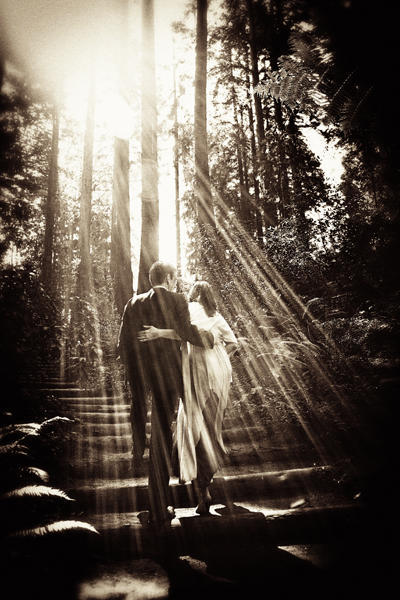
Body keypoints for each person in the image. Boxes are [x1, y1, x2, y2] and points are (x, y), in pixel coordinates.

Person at [117, 262, 215, 530]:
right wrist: (209, 337)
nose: (175, 282)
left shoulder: (133, 304)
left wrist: (137, 375)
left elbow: (122, 345)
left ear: (151, 280)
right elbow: (187, 332)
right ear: (169, 278)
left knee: (155, 437)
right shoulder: (177, 299)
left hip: (145, 379)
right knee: (181, 430)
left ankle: (158, 506)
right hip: (172, 378)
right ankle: (181, 498)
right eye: (174, 277)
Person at [138, 280, 238, 515]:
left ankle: (202, 491)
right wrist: (222, 359)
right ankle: (204, 488)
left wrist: (156, 333)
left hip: (196, 375)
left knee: (192, 429)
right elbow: (233, 343)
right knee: (211, 428)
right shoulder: (217, 315)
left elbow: (181, 333)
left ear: (193, 295)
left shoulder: (189, 309)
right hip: (219, 376)